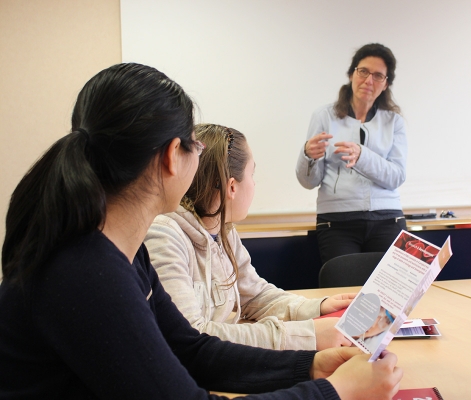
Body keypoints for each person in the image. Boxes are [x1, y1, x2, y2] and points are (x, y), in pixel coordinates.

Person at [0, 63, 403, 399]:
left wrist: (310, 366)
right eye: (194, 143)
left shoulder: (123, 253)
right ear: (171, 157)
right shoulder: (89, 274)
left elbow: (191, 350)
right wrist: (336, 392)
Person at [145, 124, 355, 351]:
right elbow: (191, 336)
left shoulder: (223, 230)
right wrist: (307, 335)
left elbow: (255, 296)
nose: (254, 184)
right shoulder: (164, 236)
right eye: (251, 174)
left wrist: (317, 308)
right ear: (232, 187)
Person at [296, 43, 408, 265]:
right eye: (363, 71)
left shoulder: (394, 121)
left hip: (388, 217)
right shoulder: (324, 116)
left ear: (386, 84)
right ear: (351, 74)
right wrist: (308, 156)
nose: (369, 81)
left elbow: (397, 177)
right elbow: (308, 182)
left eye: (378, 76)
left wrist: (362, 156)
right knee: (343, 283)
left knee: (392, 285)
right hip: (337, 221)